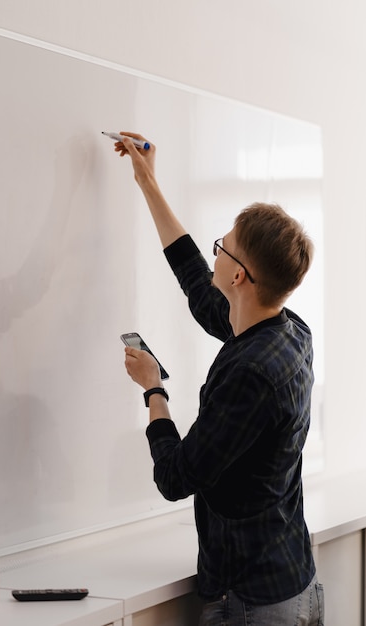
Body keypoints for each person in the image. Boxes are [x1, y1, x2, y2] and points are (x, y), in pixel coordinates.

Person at [112, 132, 324, 626]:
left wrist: (154, 390)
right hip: (292, 576)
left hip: (253, 604)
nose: (216, 252)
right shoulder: (289, 330)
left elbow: (176, 476)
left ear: (239, 277)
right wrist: (149, 183)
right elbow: (197, 284)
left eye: (222, 247)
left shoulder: (251, 372)